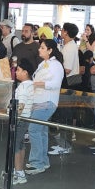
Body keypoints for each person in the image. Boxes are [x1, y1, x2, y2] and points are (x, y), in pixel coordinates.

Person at [22, 39, 64, 177]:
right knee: (41, 131)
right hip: (40, 101)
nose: (39, 49)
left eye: (42, 48)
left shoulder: (55, 65)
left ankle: (37, 162)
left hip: (46, 102)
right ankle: (43, 161)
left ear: (50, 50)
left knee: (34, 130)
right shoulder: (44, 64)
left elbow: (55, 84)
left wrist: (37, 84)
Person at [9, 57, 39, 185]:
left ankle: (19, 173)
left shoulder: (23, 87)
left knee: (16, 147)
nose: (16, 72)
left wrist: (14, 116)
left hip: (19, 119)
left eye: (18, 70)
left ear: (25, 72)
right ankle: (19, 170)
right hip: (26, 119)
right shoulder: (32, 85)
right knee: (20, 145)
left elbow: (20, 106)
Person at [59, 22, 81, 88]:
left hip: (68, 81)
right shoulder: (71, 44)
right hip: (72, 79)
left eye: (62, 30)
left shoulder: (69, 47)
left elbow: (67, 69)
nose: (61, 31)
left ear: (66, 32)